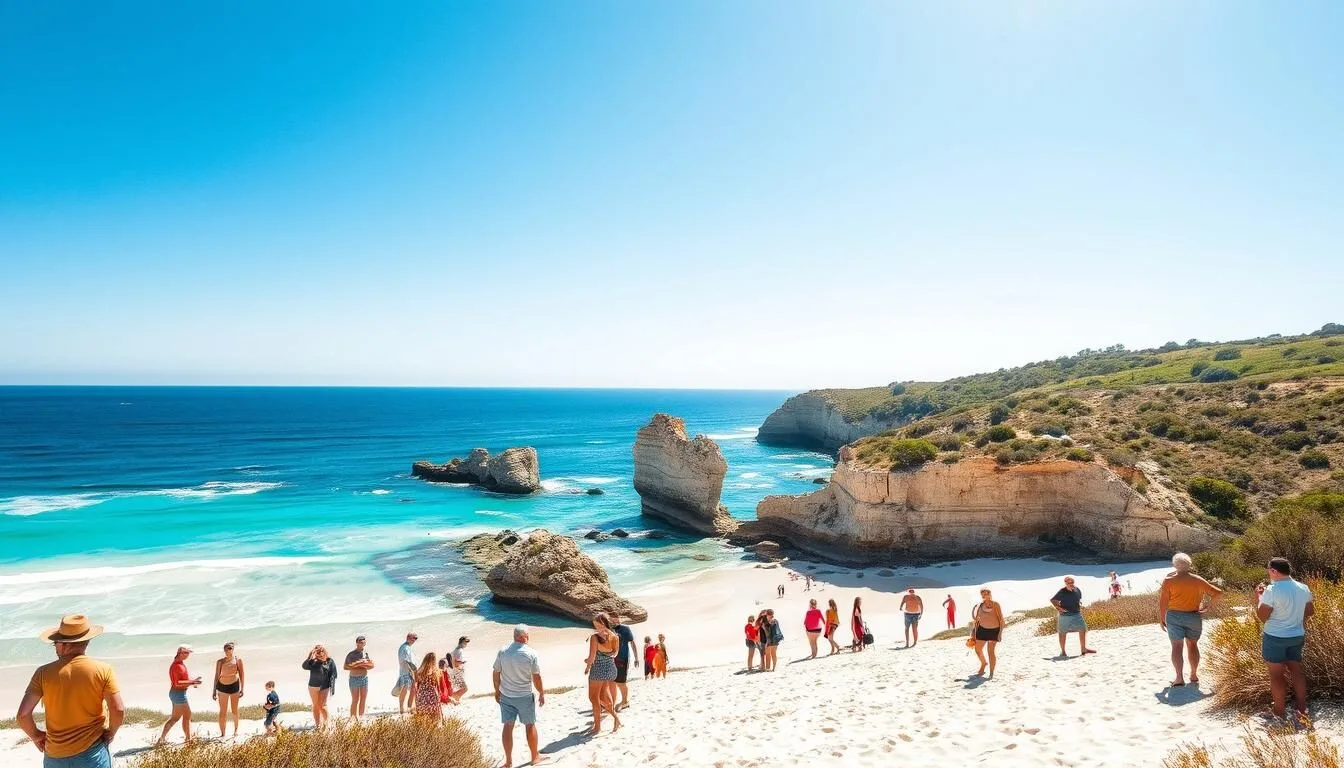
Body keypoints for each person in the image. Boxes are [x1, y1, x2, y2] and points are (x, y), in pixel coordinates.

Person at [16, 614, 125, 768]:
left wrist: (36, 735)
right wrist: (111, 732)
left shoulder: (43, 673)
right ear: (86, 641)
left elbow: (23, 715)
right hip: (91, 753)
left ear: (63, 644)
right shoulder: (103, 670)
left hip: (55, 756)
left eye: (55, 644)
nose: (55, 648)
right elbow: (118, 709)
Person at [1256, 557, 1314, 723]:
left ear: (1274, 571)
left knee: (1276, 675)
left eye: (1269, 570)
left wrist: (1260, 597)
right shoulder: (1303, 588)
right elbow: (1310, 611)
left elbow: (1262, 616)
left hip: (1275, 636)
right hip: (1297, 635)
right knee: (1297, 670)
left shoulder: (1272, 590)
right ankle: (1302, 709)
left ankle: (1279, 711)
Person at [1158, 552, 1223, 687]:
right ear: (1190, 564)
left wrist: (1162, 618)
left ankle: (1179, 678)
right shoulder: (1198, 580)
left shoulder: (1169, 580)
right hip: (1193, 616)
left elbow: (1163, 602)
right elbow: (1218, 593)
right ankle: (1193, 674)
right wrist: (1207, 606)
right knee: (1192, 645)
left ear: (1175, 565)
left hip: (1174, 616)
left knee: (1176, 646)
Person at [493, 625, 544, 768]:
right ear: (524, 637)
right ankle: (534, 757)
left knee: (508, 726)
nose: (528, 638)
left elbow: (496, 672)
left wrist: (497, 690)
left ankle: (508, 762)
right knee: (530, 725)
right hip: (524, 696)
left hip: (507, 695)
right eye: (528, 636)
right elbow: (537, 677)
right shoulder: (531, 653)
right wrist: (541, 692)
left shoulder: (503, 651)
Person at [583, 613, 621, 735]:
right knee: (603, 697)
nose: (597, 628)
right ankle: (615, 718)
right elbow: (615, 654)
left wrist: (587, 663)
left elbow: (591, 658)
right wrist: (606, 656)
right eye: (595, 626)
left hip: (598, 671)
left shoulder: (594, 638)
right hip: (610, 670)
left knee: (593, 698)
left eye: (599, 625)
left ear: (605, 623)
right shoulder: (615, 636)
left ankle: (598, 727)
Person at [156, 645, 202, 745]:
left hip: (177, 693)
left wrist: (192, 682)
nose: (188, 655)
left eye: (189, 653)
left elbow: (181, 681)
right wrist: (192, 682)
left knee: (176, 718)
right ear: (180, 653)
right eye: (186, 653)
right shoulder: (176, 666)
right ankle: (188, 739)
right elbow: (177, 683)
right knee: (186, 715)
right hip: (178, 694)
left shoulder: (179, 663)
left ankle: (162, 739)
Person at [1051, 576, 1095, 657]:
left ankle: (1083, 649)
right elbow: (1053, 600)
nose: (1071, 584)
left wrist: (1078, 606)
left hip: (1077, 614)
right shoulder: (1062, 591)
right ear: (1065, 583)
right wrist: (1059, 608)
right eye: (1069, 583)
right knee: (1062, 633)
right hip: (1065, 616)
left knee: (1083, 629)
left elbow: (1078, 599)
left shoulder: (1077, 590)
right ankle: (1063, 652)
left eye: (1072, 582)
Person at [211, 641, 245, 738]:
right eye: (226, 649)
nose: (228, 651)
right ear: (224, 650)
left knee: (234, 710)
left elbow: (242, 675)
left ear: (233, 649)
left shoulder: (238, 660)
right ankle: (223, 734)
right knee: (223, 711)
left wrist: (242, 688)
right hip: (222, 687)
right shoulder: (220, 662)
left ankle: (235, 731)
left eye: (230, 648)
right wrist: (214, 691)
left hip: (234, 686)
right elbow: (216, 676)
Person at [301, 644, 337, 729]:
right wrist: (311, 655)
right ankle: (318, 725)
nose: (320, 652)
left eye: (321, 651)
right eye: (317, 651)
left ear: (324, 651)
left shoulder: (330, 661)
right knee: (315, 705)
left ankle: (328, 724)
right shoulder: (313, 661)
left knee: (323, 706)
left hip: (325, 686)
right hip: (313, 686)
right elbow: (304, 666)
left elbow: (334, 674)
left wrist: (332, 687)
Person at [971, 589, 1005, 678]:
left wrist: (1000, 633)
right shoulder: (979, 606)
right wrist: (973, 631)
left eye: (988, 593)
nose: (987, 594)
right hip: (981, 630)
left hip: (994, 631)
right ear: (982, 596)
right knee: (977, 649)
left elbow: (1001, 619)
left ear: (991, 594)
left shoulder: (996, 605)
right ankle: (983, 663)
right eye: (984, 593)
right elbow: (976, 620)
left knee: (990, 652)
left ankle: (991, 672)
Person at [343, 635, 374, 720]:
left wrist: (366, 665)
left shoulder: (365, 653)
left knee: (363, 698)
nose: (362, 644)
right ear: (357, 643)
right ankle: (353, 718)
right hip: (354, 678)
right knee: (355, 699)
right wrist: (358, 665)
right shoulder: (351, 654)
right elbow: (345, 667)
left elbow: (371, 666)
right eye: (360, 642)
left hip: (364, 677)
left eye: (364, 642)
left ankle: (361, 717)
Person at [611, 616, 637, 710]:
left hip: (623, 659)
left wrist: (636, 658)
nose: (615, 619)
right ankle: (612, 702)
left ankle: (625, 702)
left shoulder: (625, 629)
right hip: (611, 660)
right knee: (612, 682)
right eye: (612, 617)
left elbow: (632, 643)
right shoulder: (609, 629)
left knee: (621, 682)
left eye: (616, 617)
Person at [410, 652, 443, 719]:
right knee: (434, 714)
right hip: (432, 694)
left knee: (422, 714)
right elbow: (438, 686)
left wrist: (416, 698)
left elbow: (417, 687)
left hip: (422, 694)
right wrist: (439, 697)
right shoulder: (436, 672)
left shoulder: (419, 672)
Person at [395, 632, 418, 715]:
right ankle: (402, 708)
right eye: (413, 638)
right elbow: (408, 661)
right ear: (408, 637)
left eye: (416, 638)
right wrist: (415, 671)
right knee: (405, 690)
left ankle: (409, 707)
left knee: (411, 689)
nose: (414, 640)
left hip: (406, 671)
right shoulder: (405, 648)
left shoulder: (406, 647)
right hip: (406, 671)